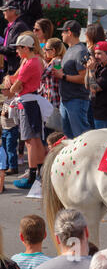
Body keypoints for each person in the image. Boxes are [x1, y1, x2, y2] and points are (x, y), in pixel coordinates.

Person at [6, 34, 46, 190]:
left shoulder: (30, 63)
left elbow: (14, 86)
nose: (16, 51)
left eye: (18, 48)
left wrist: (14, 86)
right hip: (29, 101)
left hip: (28, 102)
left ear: (26, 48)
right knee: (33, 139)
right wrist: (14, 84)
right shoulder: (32, 61)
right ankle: (39, 172)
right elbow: (14, 80)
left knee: (30, 140)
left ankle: (32, 175)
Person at [52, 20, 91, 139]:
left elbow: (84, 78)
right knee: (69, 136)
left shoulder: (80, 51)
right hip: (67, 99)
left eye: (63, 32)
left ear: (69, 32)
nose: (61, 35)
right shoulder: (71, 49)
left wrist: (63, 76)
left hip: (76, 99)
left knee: (81, 136)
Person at [85, 41, 107, 129]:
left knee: (104, 142)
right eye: (95, 53)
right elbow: (86, 85)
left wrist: (92, 71)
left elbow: (93, 88)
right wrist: (88, 69)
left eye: (99, 53)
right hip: (95, 111)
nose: (96, 56)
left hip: (105, 116)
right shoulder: (100, 66)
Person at [39, 37, 65, 140]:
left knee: (52, 132)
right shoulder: (55, 61)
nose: (44, 52)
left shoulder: (56, 62)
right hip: (52, 99)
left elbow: (42, 75)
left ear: (53, 50)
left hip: (53, 100)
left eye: (46, 49)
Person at [0, 1, 29, 79]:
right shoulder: (9, 27)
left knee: (12, 90)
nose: (3, 12)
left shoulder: (19, 26)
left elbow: (13, 48)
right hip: (9, 65)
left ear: (13, 11)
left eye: (5, 10)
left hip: (15, 66)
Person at [1, 83, 19, 176]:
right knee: (4, 148)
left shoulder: (14, 101)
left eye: (4, 89)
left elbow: (13, 114)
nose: (2, 91)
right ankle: (7, 165)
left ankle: (13, 167)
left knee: (10, 148)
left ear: (11, 89)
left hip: (12, 128)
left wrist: (5, 113)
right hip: (5, 129)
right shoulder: (6, 100)